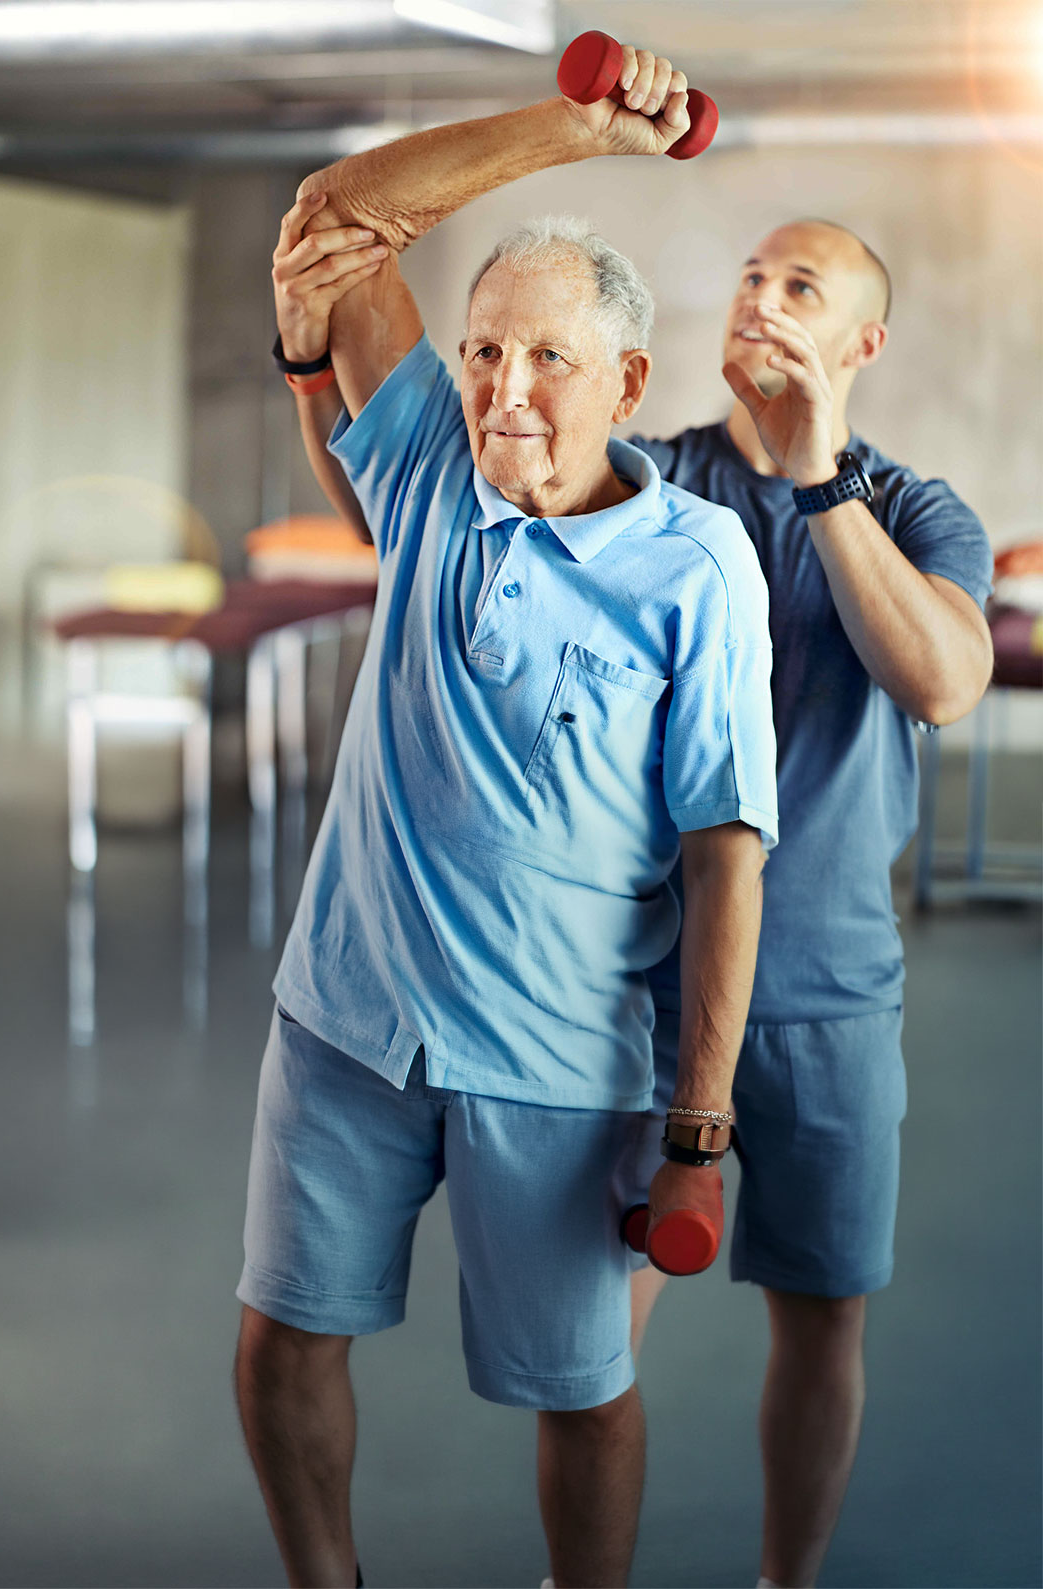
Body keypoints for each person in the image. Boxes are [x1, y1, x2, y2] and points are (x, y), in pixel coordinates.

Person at [283, 99, 996, 1589]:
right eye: (749, 273)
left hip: (826, 983)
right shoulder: (652, 478)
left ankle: (783, 1579)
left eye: (803, 287)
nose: (764, 297)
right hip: (627, 982)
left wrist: (820, 481)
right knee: (598, 1350)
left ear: (863, 343)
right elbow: (485, 447)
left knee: (821, 1314)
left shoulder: (911, 510)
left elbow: (937, 677)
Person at [234, 47, 780, 1589]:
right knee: (282, 1345)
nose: (504, 391)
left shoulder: (697, 571)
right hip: (345, 1025)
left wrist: (698, 1128)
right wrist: (576, 130)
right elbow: (336, 220)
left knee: (586, 1395)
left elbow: (725, 855)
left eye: (545, 360)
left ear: (627, 385)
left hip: (555, 1063)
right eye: (481, 352)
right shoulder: (421, 473)